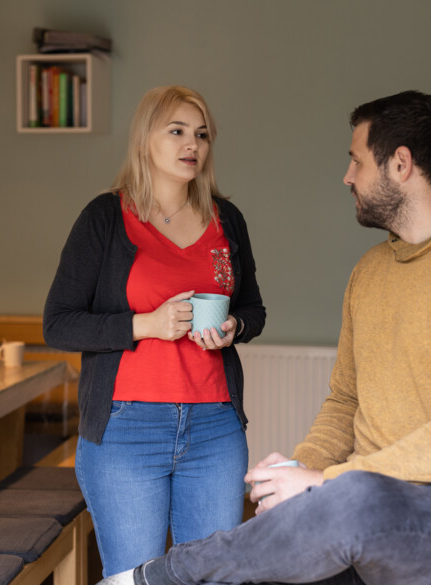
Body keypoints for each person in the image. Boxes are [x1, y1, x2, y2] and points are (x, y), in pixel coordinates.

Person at [98, 90, 431, 585]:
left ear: (401, 164)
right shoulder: (372, 271)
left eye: (356, 161)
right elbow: (344, 402)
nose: (347, 177)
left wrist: (324, 483)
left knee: (348, 500)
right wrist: (300, 468)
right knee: (294, 525)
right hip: (366, 506)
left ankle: (160, 577)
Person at [43, 85, 266, 577]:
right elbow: (57, 323)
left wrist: (235, 326)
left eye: (202, 134)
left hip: (215, 428)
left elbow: (254, 309)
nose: (193, 144)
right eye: (178, 131)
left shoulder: (226, 219)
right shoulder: (105, 217)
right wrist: (147, 324)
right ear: (147, 139)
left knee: (209, 575)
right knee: (134, 577)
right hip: (126, 429)